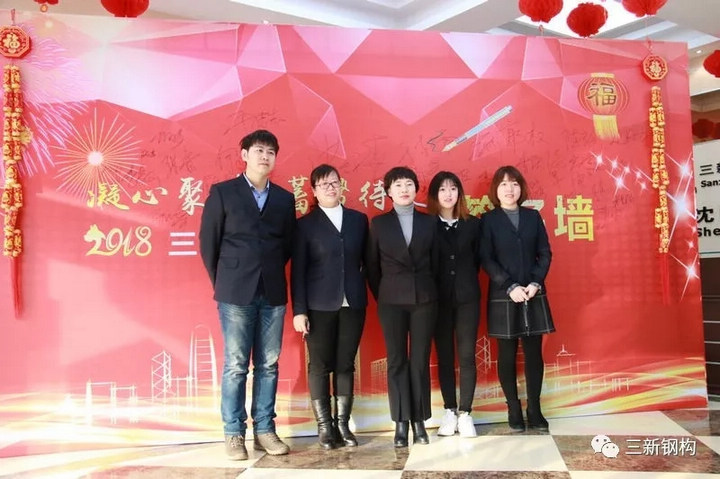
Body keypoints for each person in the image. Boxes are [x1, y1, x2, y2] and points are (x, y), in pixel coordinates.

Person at [199, 129, 296, 460]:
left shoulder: (284, 198)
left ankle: (265, 430)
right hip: (234, 291)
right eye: (258, 150)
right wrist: (225, 281)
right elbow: (209, 243)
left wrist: (267, 269)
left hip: (272, 291)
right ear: (244, 154)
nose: (264, 156)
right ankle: (233, 433)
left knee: (268, 364)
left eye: (270, 152)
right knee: (236, 365)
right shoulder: (223, 192)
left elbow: (287, 245)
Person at [291, 164, 369, 450]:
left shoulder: (358, 220)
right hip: (318, 305)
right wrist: (299, 310)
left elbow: (368, 262)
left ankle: (343, 424)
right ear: (313, 190)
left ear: (341, 185)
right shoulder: (304, 225)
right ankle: (325, 427)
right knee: (320, 365)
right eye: (323, 184)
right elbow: (298, 271)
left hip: (353, 303)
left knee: (346, 364)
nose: (330, 188)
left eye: (334, 182)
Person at [366, 166, 438, 447]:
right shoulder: (379, 224)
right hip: (391, 301)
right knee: (396, 361)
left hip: (424, 300)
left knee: (419, 361)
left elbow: (437, 263)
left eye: (409, 184)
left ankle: (419, 422)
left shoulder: (429, 222)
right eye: (398, 185)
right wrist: (384, 293)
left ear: (416, 189)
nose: (404, 189)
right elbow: (372, 267)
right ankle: (400, 423)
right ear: (388, 191)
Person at [479, 165, 555, 433]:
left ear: (521, 188)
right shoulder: (488, 220)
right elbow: (486, 258)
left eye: (514, 184)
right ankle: (513, 407)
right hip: (504, 293)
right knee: (507, 353)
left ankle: (534, 409)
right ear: (495, 190)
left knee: (533, 353)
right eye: (503, 184)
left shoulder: (533, 217)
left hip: (533, 291)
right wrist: (509, 285)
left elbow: (545, 253)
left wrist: (535, 282)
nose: (509, 189)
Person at [427, 171, 482, 438]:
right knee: (445, 356)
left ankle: (466, 413)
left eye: (453, 189)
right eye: (442, 189)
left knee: (467, 355)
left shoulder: (473, 224)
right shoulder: (427, 225)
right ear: (434, 195)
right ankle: (449, 410)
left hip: (467, 298)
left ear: (459, 193)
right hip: (438, 300)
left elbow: (479, 260)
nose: (448, 194)